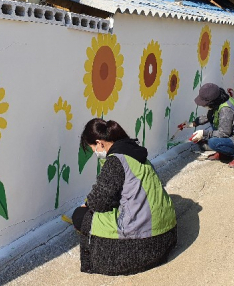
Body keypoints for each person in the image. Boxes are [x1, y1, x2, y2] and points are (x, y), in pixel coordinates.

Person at [71, 118, 177, 275]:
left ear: (99, 143)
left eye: (93, 148)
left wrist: (87, 205)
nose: (95, 152)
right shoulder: (137, 154)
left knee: (80, 216)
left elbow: (100, 202)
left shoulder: (116, 160)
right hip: (167, 234)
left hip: (144, 243)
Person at [190, 83, 234, 168]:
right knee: (213, 126)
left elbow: (223, 133)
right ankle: (225, 153)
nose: (204, 105)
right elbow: (210, 117)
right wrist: (194, 123)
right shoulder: (221, 101)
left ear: (212, 102)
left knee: (213, 142)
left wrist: (204, 133)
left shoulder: (226, 109)